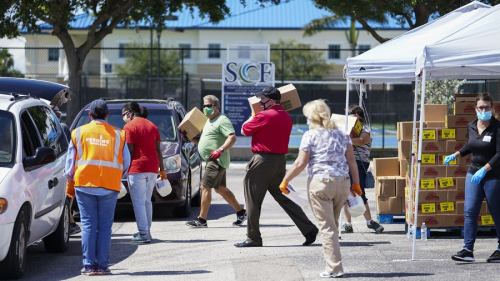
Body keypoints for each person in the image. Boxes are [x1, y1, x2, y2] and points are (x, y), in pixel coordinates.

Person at [279, 100, 361, 278]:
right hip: (343, 181)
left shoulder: (310, 135)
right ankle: (333, 264)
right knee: (333, 224)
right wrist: (356, 184)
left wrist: (285, 180)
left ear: (312, 117)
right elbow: (351, 161)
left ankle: (334, 268)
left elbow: (301, 163)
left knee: (327, 227)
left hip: (321, 182)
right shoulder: (343, 134)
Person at [235, 86, 318, 247]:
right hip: (279, 161)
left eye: (263, 99)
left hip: (262, 160)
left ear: (271, 100)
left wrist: (253, 115)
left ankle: (253, 238)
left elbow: (244, 130)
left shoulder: (263, 115)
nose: (260, 102)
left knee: (252, 200)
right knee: (283, 197)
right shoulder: (286, 116)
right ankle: (308, 229)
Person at [64, 99, 130, 276]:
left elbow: (70, 164)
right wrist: (117, 175)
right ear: (107, 115)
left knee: (88, 225)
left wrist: (70, 180)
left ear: (89, 115)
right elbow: (126, 163)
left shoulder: (78, 133)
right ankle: (102, 265)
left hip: (84, 184)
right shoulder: (119, 134)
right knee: (105, 226)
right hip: (109, 185)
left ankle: (88, 266)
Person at [445, 93, 500, 263]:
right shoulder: (471, 125)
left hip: (493, 174)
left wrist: (484, 170)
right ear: (475, 109)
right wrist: (456, 154)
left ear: (492, 109)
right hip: (473, 173)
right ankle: (467, 250)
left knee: (496, 212)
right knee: (469, 212)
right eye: (481, 108)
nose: (484, 110)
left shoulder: (498, 127)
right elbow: (471, 145)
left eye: (487, 107)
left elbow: (499, 153)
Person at [185, 95, 247, 228]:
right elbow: (202, 141)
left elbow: (232, 138)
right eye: (205, 106)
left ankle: (202, 220)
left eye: (209, 106)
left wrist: (220, 150)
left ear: (216, 106)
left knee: (205, 186)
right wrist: (191, 138)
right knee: (221, 189)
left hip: (216, 160)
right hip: (210, 160)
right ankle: (241, 212)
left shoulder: (222, 120)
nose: (206, 108)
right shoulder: (207, 121)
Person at [122, 101, 167, 243]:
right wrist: (163, 170)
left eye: (123, 114)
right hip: (153, 166)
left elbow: (129, 150)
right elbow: (158, 150)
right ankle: (146, 231)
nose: (123, 117)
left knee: (138, 202)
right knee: (147, 200)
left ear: (129, 112)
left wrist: (122, 169)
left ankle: (143, 234)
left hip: (137, 167)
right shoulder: (152, 126)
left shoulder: (129, 126)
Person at [341, 105, 384, 234]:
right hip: (345, 162)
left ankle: (369, 221)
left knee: (358, 191)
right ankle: (347, 223)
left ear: (357, 115)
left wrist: (344, 138)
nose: (347, 116)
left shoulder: (365, 129)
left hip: (359, 163)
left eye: (349, 113)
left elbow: (361, 140)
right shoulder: (346, 129)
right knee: (344, 193)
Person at [54, 107, 81, 236]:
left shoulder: (61, 127)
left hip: (59, 166)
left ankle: (70, 224)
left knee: (63, 197)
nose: (58, 115)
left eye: (59, 113)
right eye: (57, 113)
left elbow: (68, 150)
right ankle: (70, 224)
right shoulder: (58, 127)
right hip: (58, 166)